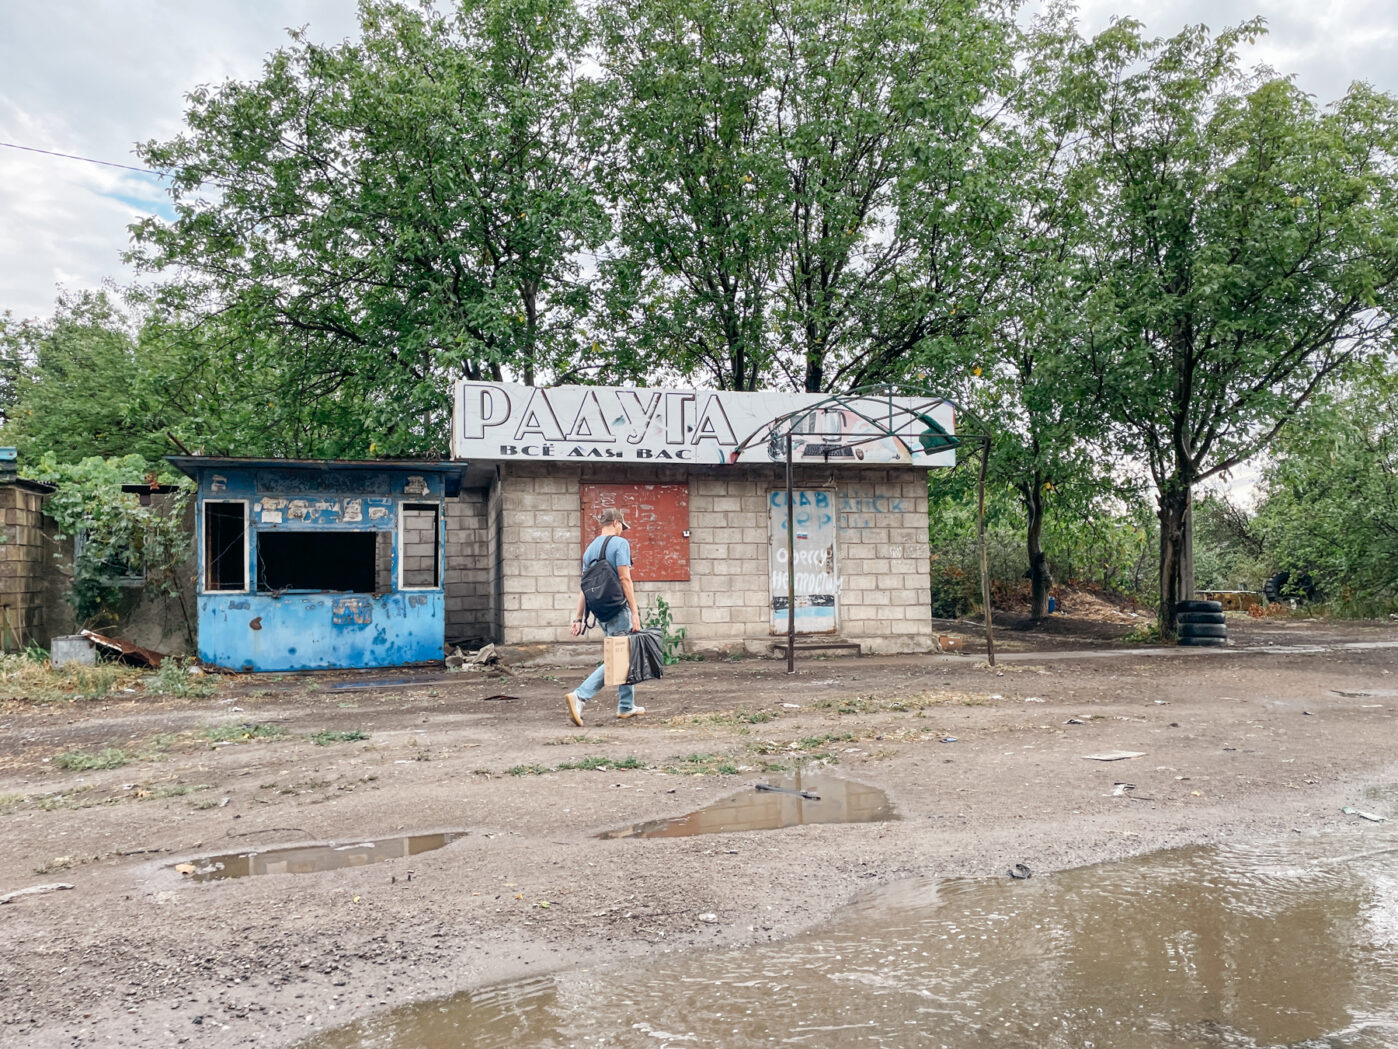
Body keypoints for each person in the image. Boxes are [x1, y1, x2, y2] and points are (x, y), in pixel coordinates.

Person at [566, 508, 643, 724]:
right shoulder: (620, 544)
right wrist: (635, 613)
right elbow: (625, 579)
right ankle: (580, 696)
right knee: (620, 657)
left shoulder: (589, 550)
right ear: (617, 523)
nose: (622, 531)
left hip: (600, 611)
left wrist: (578, 619)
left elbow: (584, 587)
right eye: (622, 527)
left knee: (623, 654)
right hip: (618, 609)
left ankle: (626, 706)